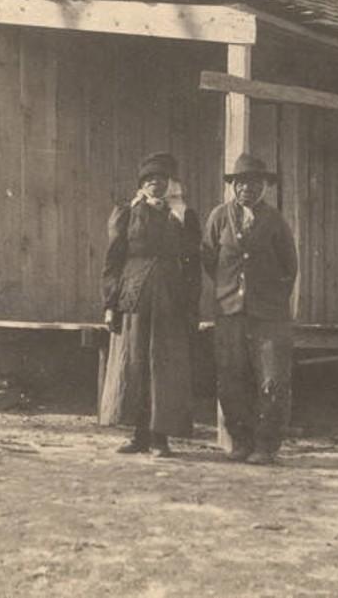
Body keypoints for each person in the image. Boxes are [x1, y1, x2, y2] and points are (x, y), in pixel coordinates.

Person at [100, 152, 201, 457]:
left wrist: (192, 305)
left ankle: (160, 437)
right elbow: (113, 259)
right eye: (149, 179)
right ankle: (137, 435)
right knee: (135, 364)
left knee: (165, 366)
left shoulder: (184, 216)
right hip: (134, 298)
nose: (155, 183)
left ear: (172, 183)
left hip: (171, 299)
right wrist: (110, 302)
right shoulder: (126, 213)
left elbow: (192, 263)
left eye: (162, 178)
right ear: (142, 185)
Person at [202, 153, 298, 465]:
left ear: (264, 187)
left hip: (269, 315)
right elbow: (209, 259)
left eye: (254, 183)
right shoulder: (219, 217)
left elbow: (289, 267)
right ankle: (241, 441)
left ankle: (266, 445)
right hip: (230, 311)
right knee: (231, 377)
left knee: (272, 378)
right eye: (241, 183)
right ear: (233, 185)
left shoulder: (275, 221)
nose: (247, 189)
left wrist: (268, 297)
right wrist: (229, 291)